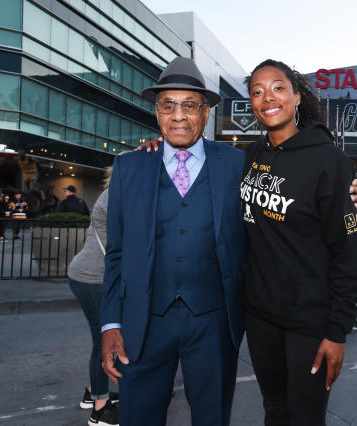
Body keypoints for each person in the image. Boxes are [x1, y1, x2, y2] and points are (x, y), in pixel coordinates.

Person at [101, 57, 247, 426]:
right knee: (139, 417)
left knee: (212, 417)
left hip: (213, 322)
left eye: (189, 106)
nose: (179, 116)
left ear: (206, 113)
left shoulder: (236, 163)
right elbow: (115, 253)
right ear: (156, 112)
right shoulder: (129, 167)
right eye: (169, 106)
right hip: (143, 322)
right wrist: (110, 324)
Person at [240, 59, 357, 426]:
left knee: (306, 418)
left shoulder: (329, 161)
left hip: (310, 321)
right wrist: (158, 146)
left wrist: (337, 330)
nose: (268, 98)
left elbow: (350, 250)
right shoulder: (249, 156)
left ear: (296, 96)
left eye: (278, 87)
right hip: (260, 314)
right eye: (257, 91)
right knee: (274, 412)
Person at [68, 169, 120, 426]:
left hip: (95, 277)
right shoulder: (114, 197)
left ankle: (93, 391)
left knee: (106, 338)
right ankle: (100, 409)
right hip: (92, 278)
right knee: (104, 341)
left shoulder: (117, 193)